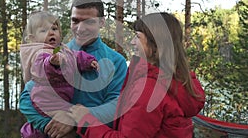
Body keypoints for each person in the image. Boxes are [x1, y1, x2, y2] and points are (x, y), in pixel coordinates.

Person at [68, 12, 206, 138]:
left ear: (155, 43)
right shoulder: (178, 80)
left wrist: (85, 120)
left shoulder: (150, 89)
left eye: (138, 37)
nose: (132, 41)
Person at [19, 0, 128, 138]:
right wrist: (48, 125)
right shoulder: (56, 52)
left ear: (102, 22)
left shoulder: (117, 61)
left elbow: (115, 108)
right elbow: (26, 99)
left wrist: (75, 120)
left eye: (89, 22)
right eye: (75, 21)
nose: (80, 28)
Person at [20, 11, 99, 121]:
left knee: (69, 120)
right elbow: (41, 68)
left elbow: (74, 56)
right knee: (51, 126)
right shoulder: (39, 53)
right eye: (44, 30)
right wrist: (51, 63)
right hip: (47, 100)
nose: (51, 33)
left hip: (62, 98)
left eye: (54, 29)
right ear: (33, 38)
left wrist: (88, 61)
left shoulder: (62, 49)